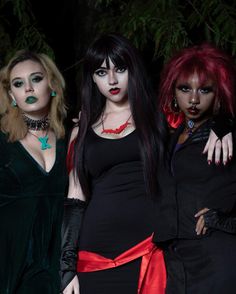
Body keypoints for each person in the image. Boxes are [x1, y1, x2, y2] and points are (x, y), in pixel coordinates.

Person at [153, 43, 236, 294]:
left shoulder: (225, 136)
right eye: (184, 88)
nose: (193, 99)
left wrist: (226, 221)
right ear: (172, 90)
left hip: (216, 256)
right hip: (177, 262)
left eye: (205, 90)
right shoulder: (169, 137)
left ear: (219, 93)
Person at [0, 50, 68, 293]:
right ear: (12, 96)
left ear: (52, 85)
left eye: (36, 79)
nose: (28, 88)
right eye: (19, 84)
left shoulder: (70, 140)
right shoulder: (3, 142)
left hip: (57, 267)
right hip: (11, 270)